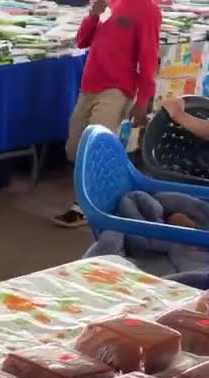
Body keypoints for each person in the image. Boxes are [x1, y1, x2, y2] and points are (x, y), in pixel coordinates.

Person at [54, 0, 160, 228]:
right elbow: (82, 41)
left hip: (117, 89)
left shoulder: (147, 9)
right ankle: (109, 195)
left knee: (94, 147)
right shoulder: (109, 3)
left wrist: (143, 99)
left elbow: (148, 57)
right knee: (74, 148)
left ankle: (85, 206)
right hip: (90, 84)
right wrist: (93, 14)